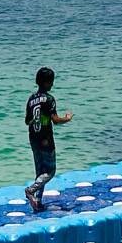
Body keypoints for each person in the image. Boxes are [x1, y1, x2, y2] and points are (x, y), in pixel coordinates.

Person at [24, 66, 73, 211]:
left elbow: (27, 121)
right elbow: (55, 120)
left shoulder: (31, 99)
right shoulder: (49, 99)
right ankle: (31, 190)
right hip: (45, 139)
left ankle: (37, 202)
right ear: (46, 82)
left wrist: (37, 120)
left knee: (40, 172)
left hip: (33, 138)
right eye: (51, 81)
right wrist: (67, 118)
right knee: (50, 171)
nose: (52, 84)